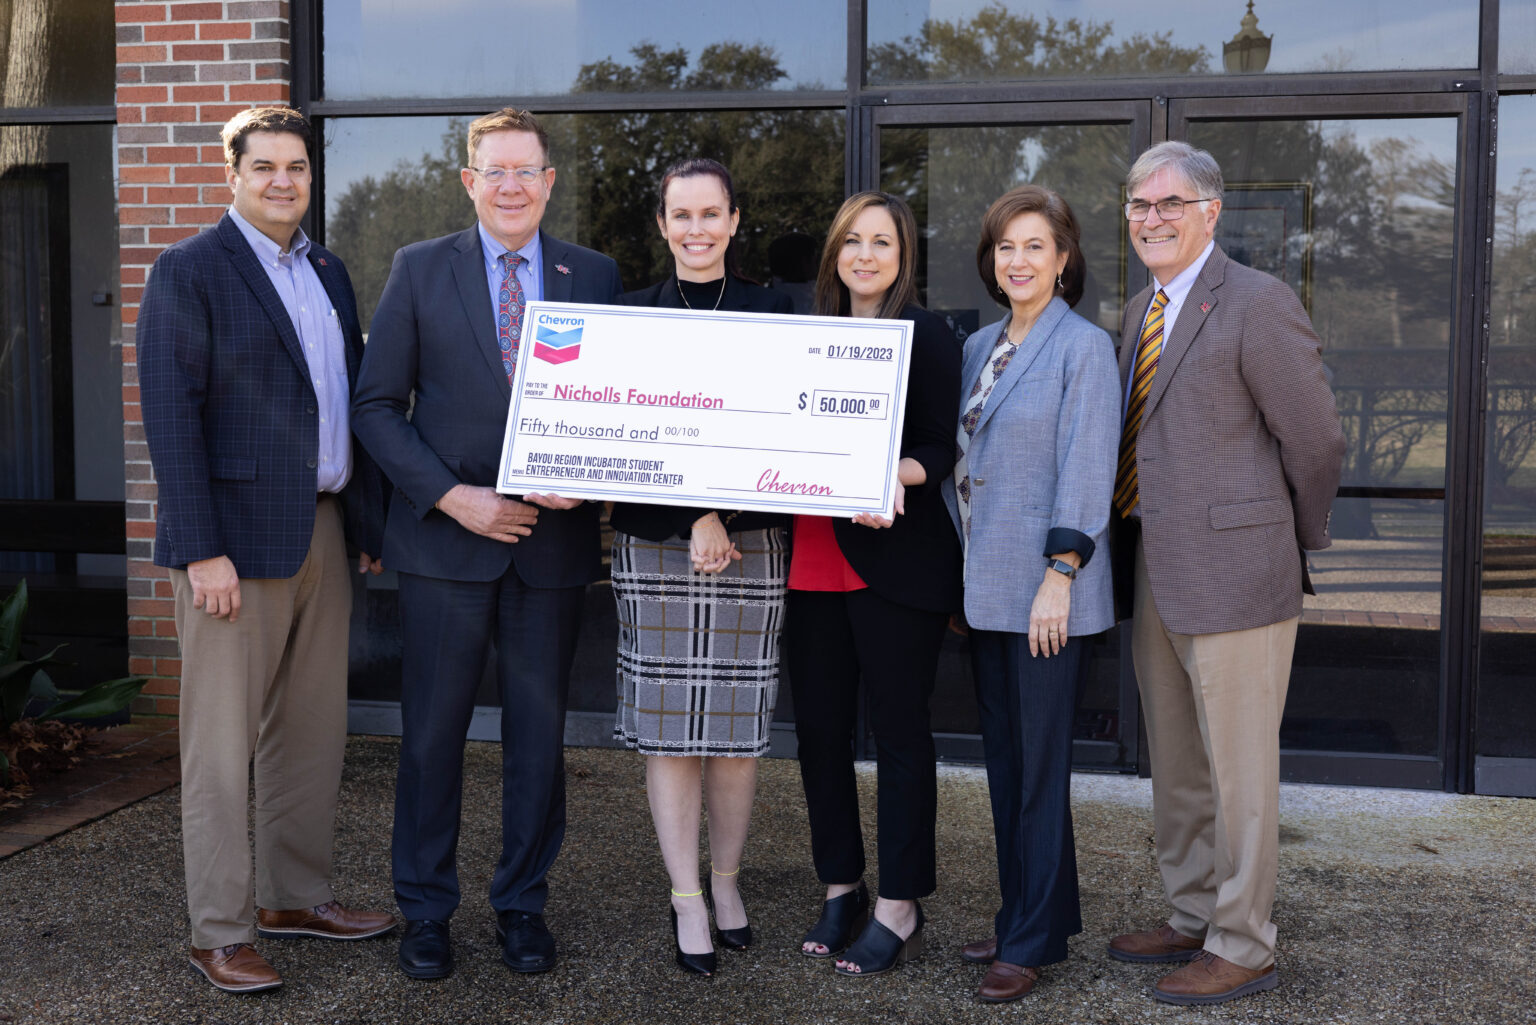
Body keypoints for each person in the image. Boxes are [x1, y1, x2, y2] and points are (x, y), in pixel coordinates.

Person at [350, 108, 623, 981]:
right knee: (432, 738)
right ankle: (425, 912)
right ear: (469, 182)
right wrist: (453, 497)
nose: (511, 186)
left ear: (549, 182)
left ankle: (521, 905)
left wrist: (592, 474)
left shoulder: (596, 276)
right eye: (494, 171)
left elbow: (622, 405)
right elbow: (375, 408)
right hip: (446, 549)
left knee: (539, 740)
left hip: (550, 550)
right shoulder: (420, 269)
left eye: (526, 171)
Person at [138, 106, 395, 993]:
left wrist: (362, 525)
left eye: (297, 167)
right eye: (265, 167)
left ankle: (294, 896)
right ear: (233, 175)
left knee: (312, 728)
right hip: (231, 546)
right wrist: (200, 548)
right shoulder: (190, 269)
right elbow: (171, 416)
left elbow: (344, 399)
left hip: (322, 523)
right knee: (219, 744)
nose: (283, 181)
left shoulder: (326, 268)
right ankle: (220, 927)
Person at [1106, 141, 1345, 1006]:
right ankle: (1194, 908)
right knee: (1178, 763)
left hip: (1242, 573)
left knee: (1241, 772)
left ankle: (1244, 941)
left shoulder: (1256, 301)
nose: (1151, 218)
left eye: (1169, 202)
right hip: (1157, 574)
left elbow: (1315, 440)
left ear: (1211, 211)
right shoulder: (1139, 310)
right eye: (1138, 204)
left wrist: (1295, 535)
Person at [608, 158, 794, 977]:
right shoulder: (628, 317)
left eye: (710, 214)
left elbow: (783, 439)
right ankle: (685, 893)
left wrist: (724, 514)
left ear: (734, 219)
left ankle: (727, 882)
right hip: (655, 545)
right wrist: (696, 514)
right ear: (661, 224)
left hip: (752, 546)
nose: (696, 229)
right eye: (681, 215)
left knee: (735, 734)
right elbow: (625, 445)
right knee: (672, 733)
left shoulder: (776, 312)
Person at [940, 185, 1120, 1002]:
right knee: (1008, 766)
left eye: (1035, 247)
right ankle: (1024, 914)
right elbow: (964, 468)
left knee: (1042, 770)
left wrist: (1062, 573)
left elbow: (1088, 467)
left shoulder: (1083, 348)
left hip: (1050, 590)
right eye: (1006, 247)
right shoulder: (980, 348)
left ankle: (1034, 938)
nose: (1018, 260)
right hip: (989, 589)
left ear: (1065, 259)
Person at [787, 192, 962, 977]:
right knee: (821, 735)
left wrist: (894, 471)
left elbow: (939, 446)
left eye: (881, 242)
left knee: (897, 736)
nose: (865, 255)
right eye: (851, 241)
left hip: (895, 561)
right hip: (811, 558)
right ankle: (842, 884)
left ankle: (899, 899)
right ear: (834, 254)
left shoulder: (927, 334)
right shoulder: (804, 334)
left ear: (903, 255)